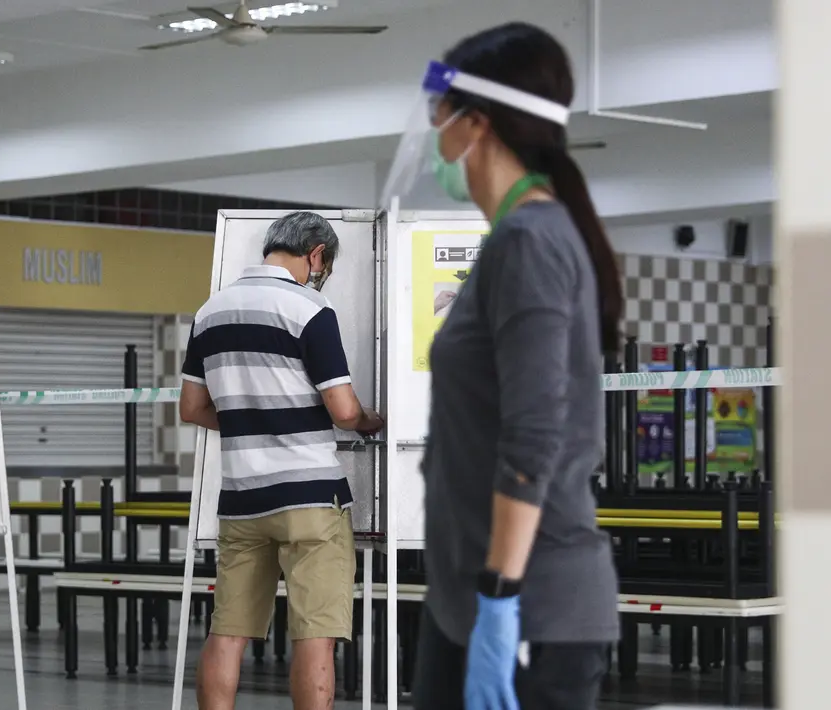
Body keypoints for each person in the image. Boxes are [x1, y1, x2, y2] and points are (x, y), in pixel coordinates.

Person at [386, 23, 624, 710]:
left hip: (526, 606)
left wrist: (500, 598)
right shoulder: (514, 239)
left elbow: (533, 434)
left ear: (477, 123)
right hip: (465, 596)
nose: (433, 133)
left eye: (441, 113)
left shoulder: (529, 241)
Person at [179, 211, 384, 710]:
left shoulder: (210, 312)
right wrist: (372, 421)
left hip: (243, 498)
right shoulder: (311, 310)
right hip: (311, 498)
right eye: (325, 264)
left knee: (228, 630)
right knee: (315, 633)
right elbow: (343, 410)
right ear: (316, 254)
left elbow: (191, 409)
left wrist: (254, 419)